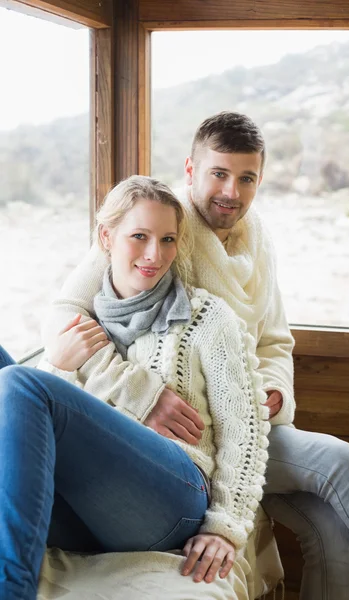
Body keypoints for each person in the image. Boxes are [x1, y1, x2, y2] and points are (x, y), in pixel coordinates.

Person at [42, 112, 349, 599]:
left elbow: (274, 338)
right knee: (338, 459)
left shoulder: (259, 239)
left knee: (326, 526)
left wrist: (275, 389)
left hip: (256, 413)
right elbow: (67, 313)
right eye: (218, 174)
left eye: (246, 178)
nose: (231, 191)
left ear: (259, 180)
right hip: (199, 427)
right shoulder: (159, 222)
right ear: (191, 170)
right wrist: (141, 393)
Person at [0, 176, 272, 600]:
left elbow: (245, 430)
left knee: (17, 381)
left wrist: (226, 528)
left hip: (171, 500)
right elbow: (40, 429)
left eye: (167, 240)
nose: (154, 255)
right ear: (106, 238)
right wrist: (58, 363)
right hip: (84, 512)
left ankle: (10, 590)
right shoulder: (79, 323)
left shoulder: (208, 318)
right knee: (11, 373)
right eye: (139, 237)